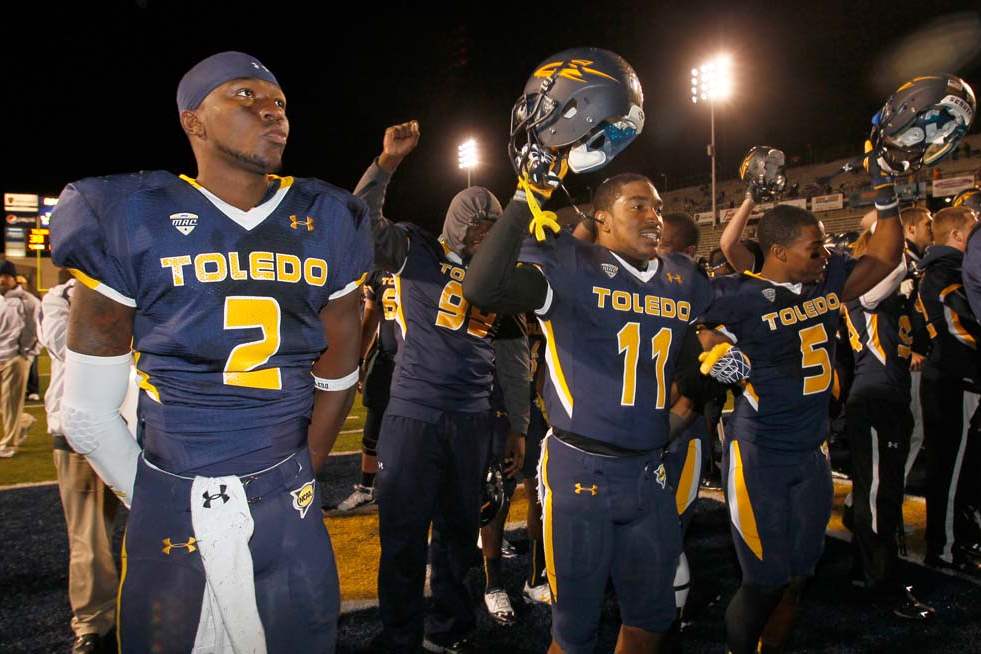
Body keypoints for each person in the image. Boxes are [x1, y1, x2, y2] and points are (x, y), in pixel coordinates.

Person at [50, 51, 372, 653]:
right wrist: (161, 498)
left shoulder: (328, 218)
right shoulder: (128, 214)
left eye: (279, 102)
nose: (272, 112)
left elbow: (338, 374)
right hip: (174, 486)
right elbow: (86, 413)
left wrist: (299, 472)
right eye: (245, 96)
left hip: (286, 494)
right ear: (192, 120)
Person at [698, 168, 903, 652]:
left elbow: (884, 256)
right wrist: (713, 347)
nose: (825, 254)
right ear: (779, 252)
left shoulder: (825, 281)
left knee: (797, 577)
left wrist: (888, 195)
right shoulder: (739, 294)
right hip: (761, 454)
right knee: (763, 582)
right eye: (815, 248)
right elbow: (696, 325)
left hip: (812, 454)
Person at [354, 120, 522, 653]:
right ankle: (399, 634)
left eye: (494, 227)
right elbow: (362, 224)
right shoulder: (417, 249)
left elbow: (510, 355)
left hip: (473, 417)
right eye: (481, 225)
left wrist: (512, 424)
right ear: (458, 223)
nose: (487, 236)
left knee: (458, 534)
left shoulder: (498, 274)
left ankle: (451, 628)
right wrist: (387, 163)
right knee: (403, 536)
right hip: (415, 412)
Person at [841, 229, 934, 619]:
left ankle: (866, 567)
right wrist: (900, 258)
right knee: (879, 495)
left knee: (882, 492)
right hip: (874, 400)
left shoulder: (896, 298)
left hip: (890, 398)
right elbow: (873, 291)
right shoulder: (864, 291)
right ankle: (881, 583)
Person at [38, 270, 124, 653]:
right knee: (90, 538)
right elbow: (69, 347)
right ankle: (95, 622)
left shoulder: (135, 287)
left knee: (161, 531)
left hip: (135, 428)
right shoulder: (58, 297)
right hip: (78, 435)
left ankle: (159, 609)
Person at [915, 205, 981, 575]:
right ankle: (945, 548)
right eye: (972, 226)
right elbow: (962, 327)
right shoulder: (945, 271)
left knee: (961, 466)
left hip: (953, 377)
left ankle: (958, 539)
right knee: (952, 468)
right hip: (955, 379)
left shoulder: (944, 268)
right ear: (956, 235)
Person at [333, 269, 399, 512]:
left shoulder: (422, 263)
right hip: (385, 356)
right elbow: (371, 318)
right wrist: (359, 359)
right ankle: (366, 488)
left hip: (417, 360)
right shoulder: (377, 273)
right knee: (374, 422)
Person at [0, 260, 40, 458]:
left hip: (15, 358)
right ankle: (23, 422)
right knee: (5, 404)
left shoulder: (28, 301)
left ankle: (9, 444)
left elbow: (36, 329)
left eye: (6, 276)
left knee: (11, 403)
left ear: (14, 278)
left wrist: (24, 355)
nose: (2, 280)